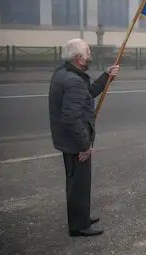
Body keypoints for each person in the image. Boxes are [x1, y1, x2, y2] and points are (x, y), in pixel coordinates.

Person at [48, 38, 119, 237]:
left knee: (76, 182)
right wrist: (85, 145)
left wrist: (106, 76)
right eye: (88, 54)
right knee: (78, 184)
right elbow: (71, 118)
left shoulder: (64, 74)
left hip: (67, 140)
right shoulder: (73, 80)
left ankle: (81, 217)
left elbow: (87, 94)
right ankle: (79, 226)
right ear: (79, 59)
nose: (90, 57)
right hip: (75, 142)